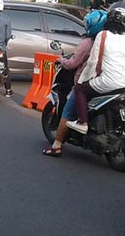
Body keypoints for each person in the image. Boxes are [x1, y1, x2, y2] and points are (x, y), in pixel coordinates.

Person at [42, 9, 106, 157]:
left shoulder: (88, 42)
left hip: (88, 81)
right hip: (108, 82)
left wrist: (61, 60)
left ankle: (57, 145)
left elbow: (73, 63)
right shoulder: (108, 41)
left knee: (67, 111)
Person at [66, 1, 125, 135]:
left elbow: (93, 62)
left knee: (80, 89)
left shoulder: (102, 35)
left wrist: (82, 81)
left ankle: (82, 122)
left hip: (108, 82)